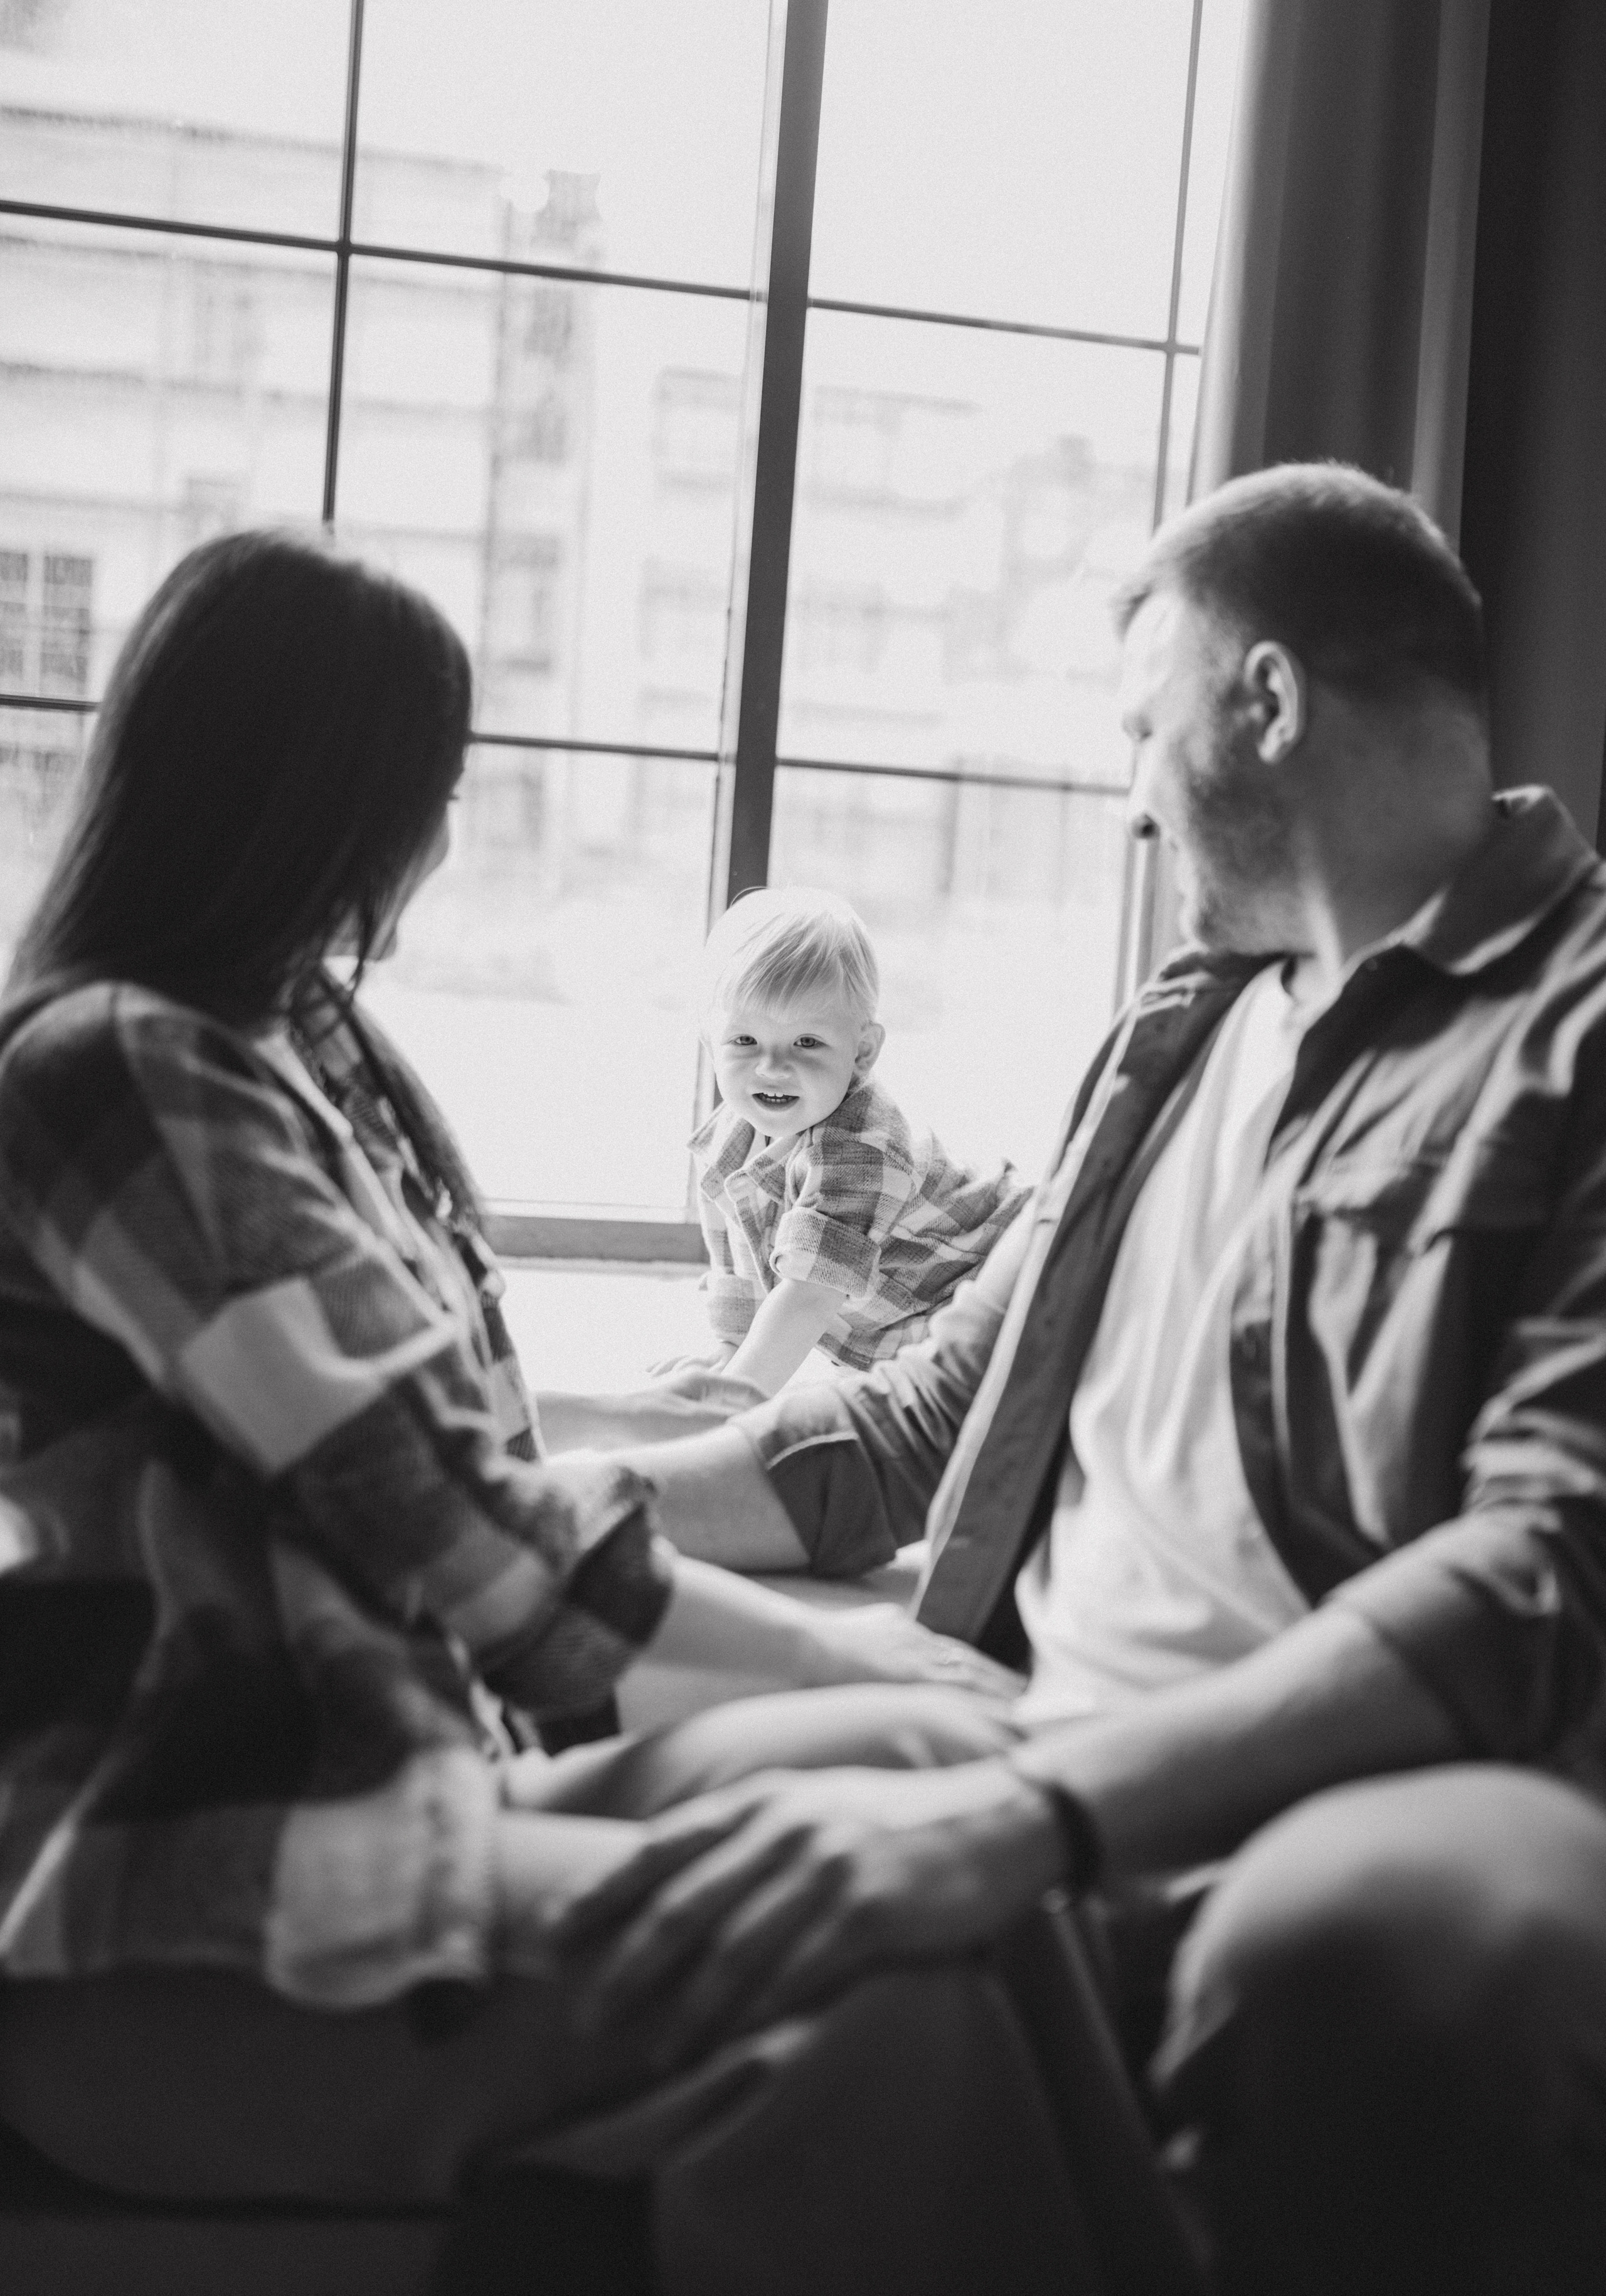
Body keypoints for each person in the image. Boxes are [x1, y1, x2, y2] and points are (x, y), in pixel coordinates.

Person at [570, 462, 1606, 2293]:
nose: (1128, 798)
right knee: (633, 1826)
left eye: (1141, 727)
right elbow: (919, 1417)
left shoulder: (1570, 1036)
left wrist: (1039, 1814)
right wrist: (560, 1496)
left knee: (1385, 1943)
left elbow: (1545, 1562)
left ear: (1263, 698)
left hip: (1361, 1777)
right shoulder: (1175, 1030)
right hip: (1020, 1708)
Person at [0, 529, 1048, 2295]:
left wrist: (888, 1683)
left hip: (409, 1787)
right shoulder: (116, 1067)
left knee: (945, 1770)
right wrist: (848, 1649)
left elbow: (456, 1442)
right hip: (198, 1886)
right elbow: (440, 1512)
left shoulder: (297, 1040)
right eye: (429, 788)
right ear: (321, 795)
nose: (439, 832)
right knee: (911, 1939)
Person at [659, 885, 1028, 1398]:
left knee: (972, 1405)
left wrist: (738, 1394)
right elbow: (736, 1255)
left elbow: (810, 1297)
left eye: (807, 1043)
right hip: (900, 1316)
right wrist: (730, 1348)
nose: (773, 1068)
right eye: (745, 1040)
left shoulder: (861, 1152)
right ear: (710, 1042)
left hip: (998, 1281)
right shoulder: (729, 1140)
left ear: (862, 1052)